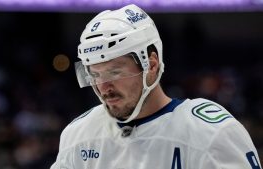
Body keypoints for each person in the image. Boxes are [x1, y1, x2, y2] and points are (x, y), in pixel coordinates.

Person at [50, 4, 262, 169]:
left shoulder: (211, 133)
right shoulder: (79, 135)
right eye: (95, 75)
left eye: (115, 72)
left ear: (151, 65)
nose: (104, 87)